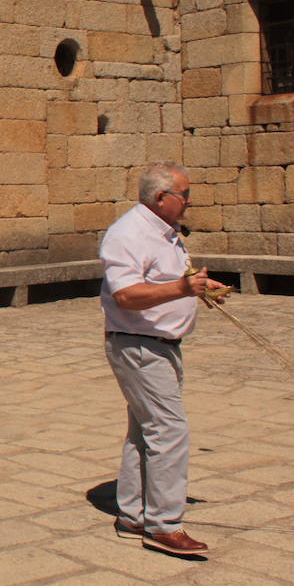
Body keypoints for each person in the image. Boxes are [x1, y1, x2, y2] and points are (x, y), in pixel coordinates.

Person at [102, 162, 227, 556]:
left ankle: (133, 514)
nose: (189, 201)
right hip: (138, 345)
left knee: (145, 431)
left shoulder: (164, 233)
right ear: (160, 198)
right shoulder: (127, 234)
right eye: (184, 194)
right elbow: (126, 295)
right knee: (170, 431)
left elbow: (166, 284)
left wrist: (198, 289)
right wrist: (182, 287)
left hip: (159, 344)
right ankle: (163, 525)